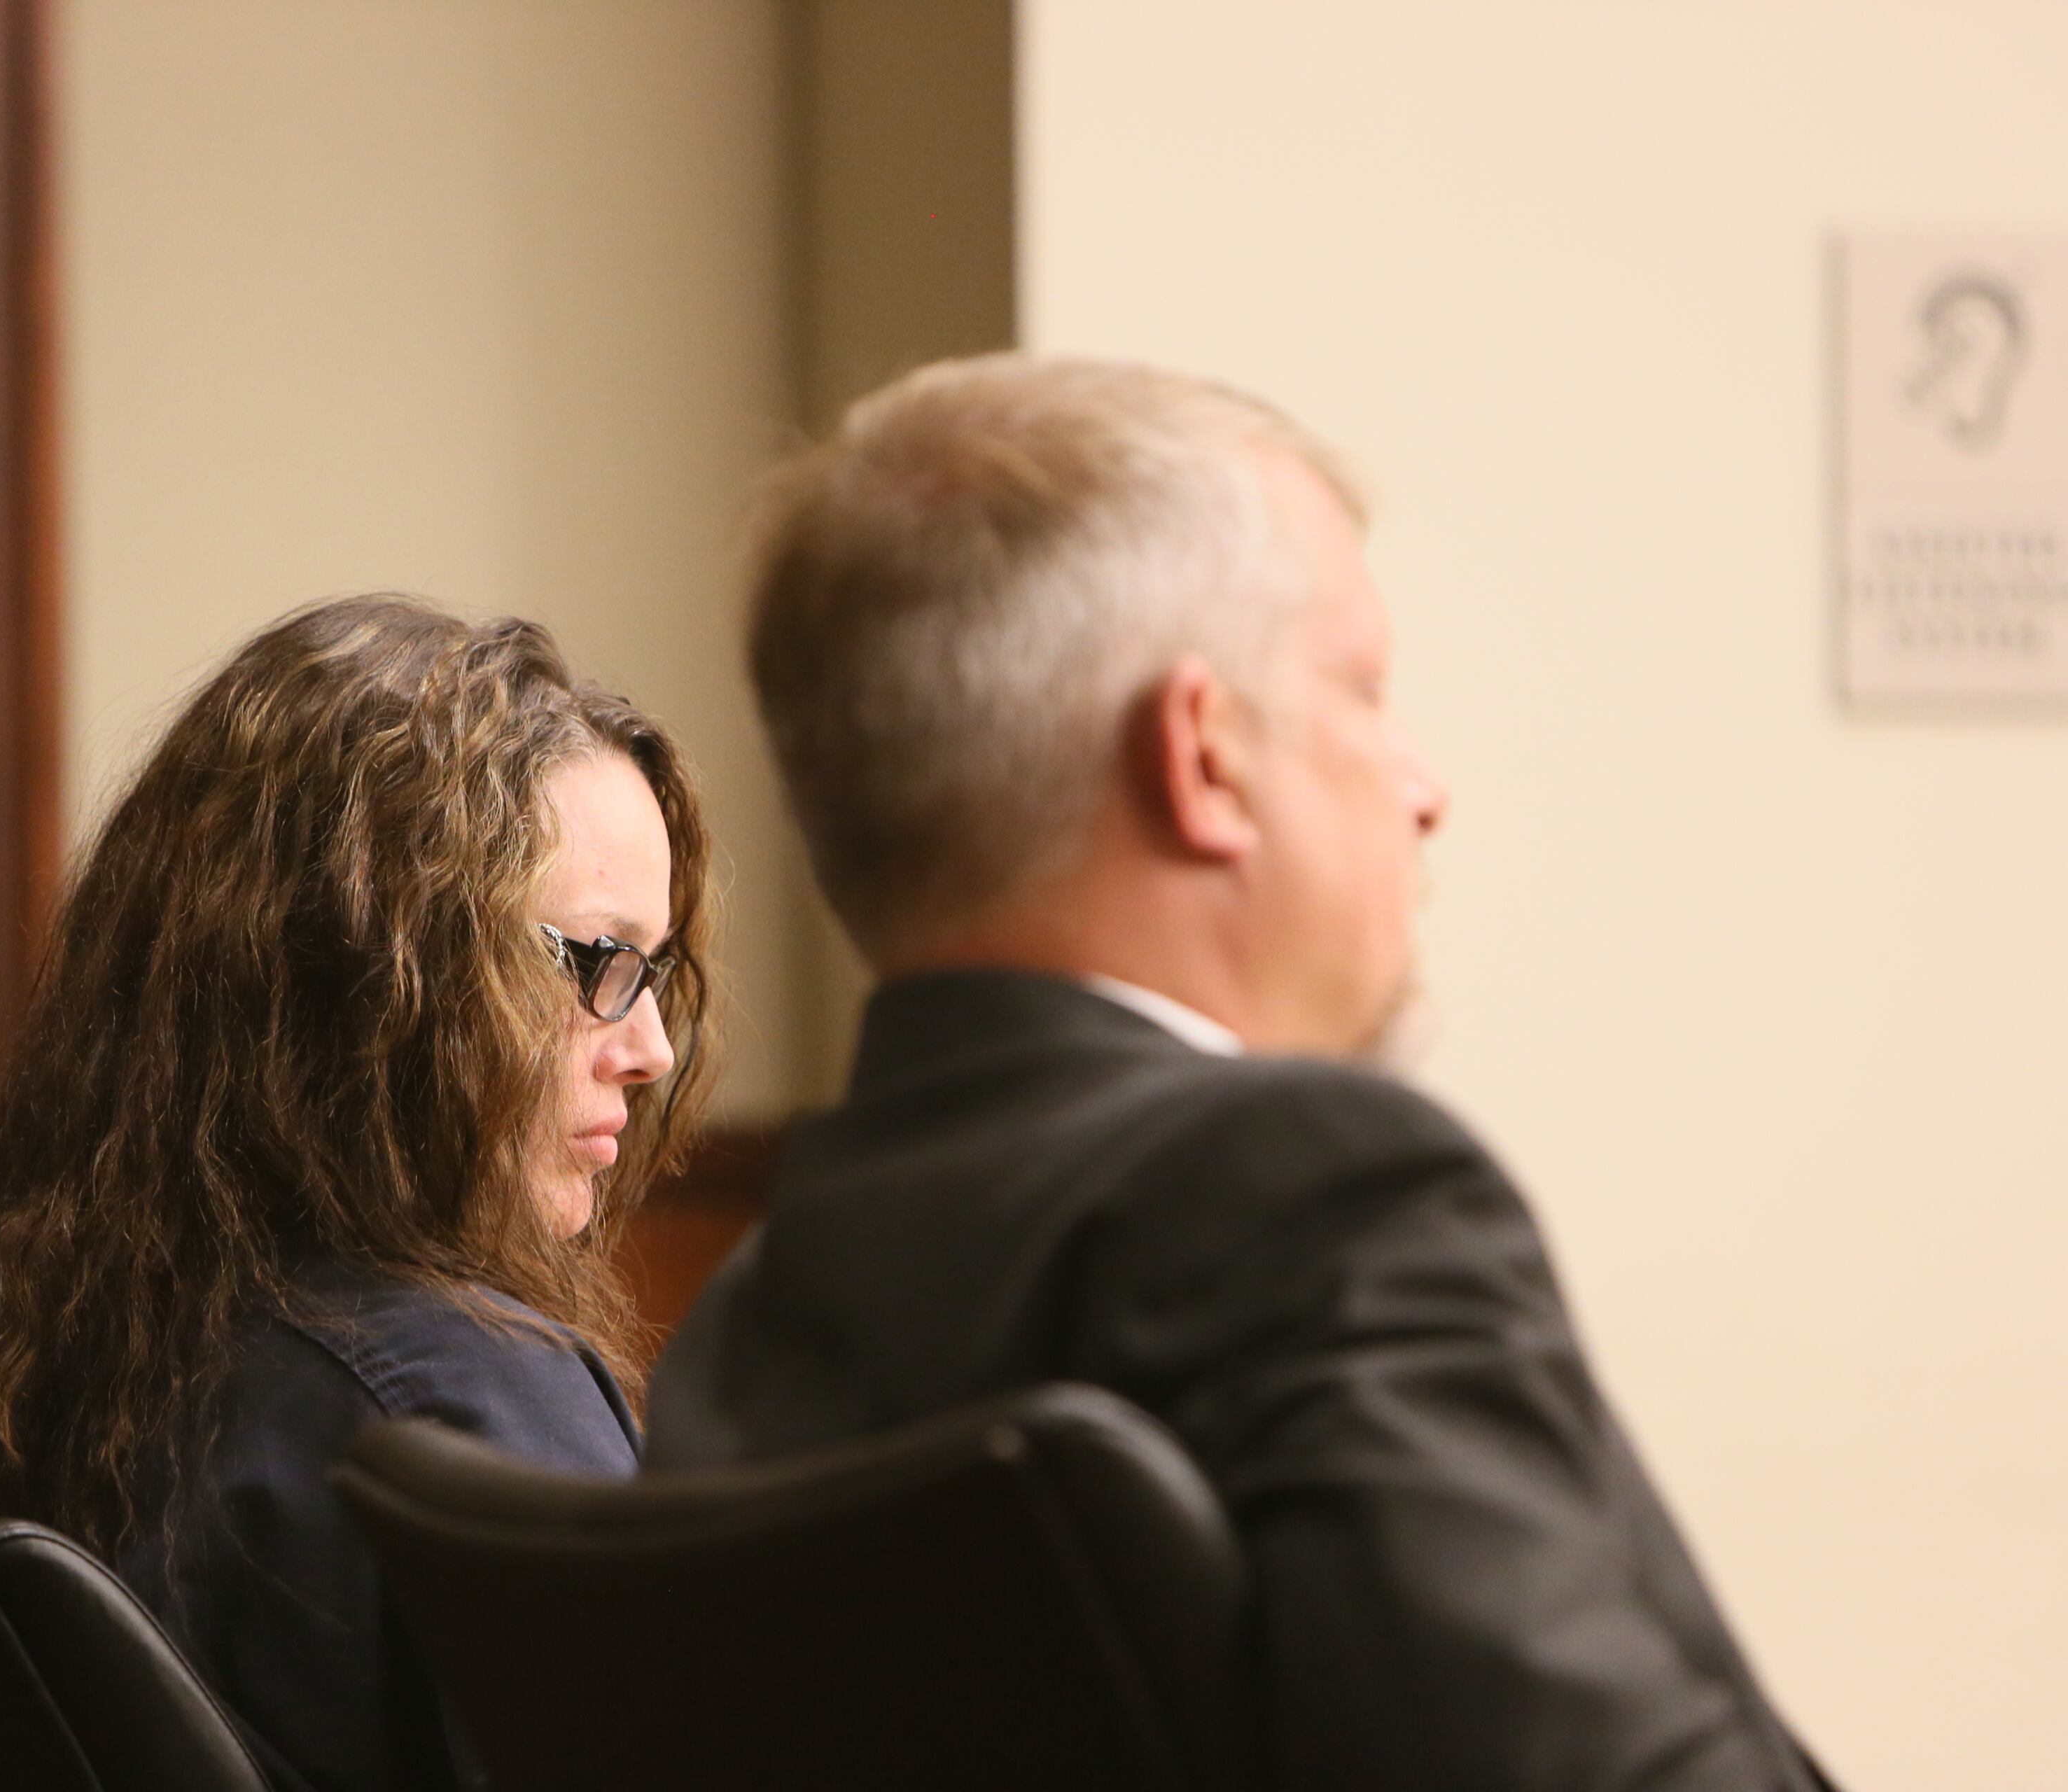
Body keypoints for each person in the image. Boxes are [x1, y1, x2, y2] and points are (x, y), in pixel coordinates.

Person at [645, 356, 1834, 1791]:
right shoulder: (1321, 1200)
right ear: (1204, 757)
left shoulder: (744, 1329)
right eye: (1364, 689)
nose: (1425, 786)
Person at [0, 595, 713, 1791]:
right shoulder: (457, 1410)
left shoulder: (16, 1383)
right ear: (368, 970)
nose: (651, 1048)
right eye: (600, 962)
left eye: (654, 971)